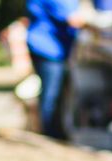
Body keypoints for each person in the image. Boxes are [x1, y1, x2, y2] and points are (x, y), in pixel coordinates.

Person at [26, 0, 87, 139]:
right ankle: (49, 134)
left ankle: (56, 130)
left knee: (59, 93)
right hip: (47, 48)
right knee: (51, 94)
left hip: (56, 48)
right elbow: (73, 19)